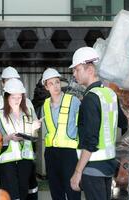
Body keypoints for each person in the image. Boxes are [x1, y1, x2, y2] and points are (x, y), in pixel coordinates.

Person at [69, 47, 128, 200]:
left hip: (93, 166)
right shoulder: (110, 94)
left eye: (76, 69)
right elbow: (124, 123)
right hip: (109, 165)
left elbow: (90, 141)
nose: (74, 74)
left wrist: (77, 172)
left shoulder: (90, 99)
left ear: (89, 70)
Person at [0, 66, 38, 200]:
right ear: (3, 84)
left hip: (25, 157)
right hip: (6, 156)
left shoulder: (28, 105)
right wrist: (7, 139)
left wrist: (32, 130)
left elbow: (34, 131)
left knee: (25, 191)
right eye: (8, 81)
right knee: (10, 193)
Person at [41, 68, 81, 200]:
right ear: (46, 87)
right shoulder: (45, 105)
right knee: (56, 190)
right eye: (51, 83)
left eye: (57, 82)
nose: (55, 86)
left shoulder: (73, 101)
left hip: (69, 153)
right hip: (51, 153)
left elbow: (83, 124)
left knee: (72, 190)